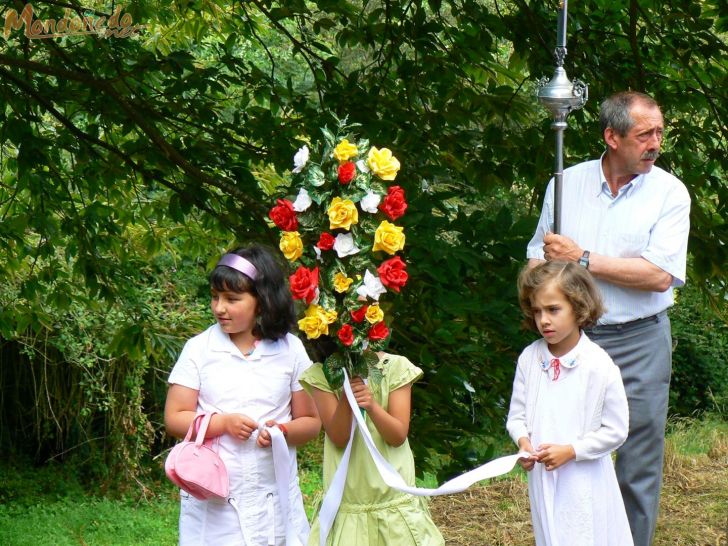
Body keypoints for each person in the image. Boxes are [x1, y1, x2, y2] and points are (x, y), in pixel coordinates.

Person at [526, 90, 691, 546]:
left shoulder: (670, 193)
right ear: (611, 137)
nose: (655, 142)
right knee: (565, 452)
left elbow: (660, 275)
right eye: (645, 134)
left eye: (659, 131)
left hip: (642, 341)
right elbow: (536, 257)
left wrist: (581, 258)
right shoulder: (565, 184)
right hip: (575, 342)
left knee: (637, 459)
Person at [164, 245, 321, 546]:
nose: (219, 308)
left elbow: (311, 422)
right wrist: (223, 424)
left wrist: (283, 431)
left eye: (232, 299)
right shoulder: (199, 349)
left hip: (273, 499)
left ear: (261, 302)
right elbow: (174, 417)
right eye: (215, 297)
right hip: (214, 500)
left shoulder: (290, 349)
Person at [507, 261, 632, 546]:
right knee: (551, 534)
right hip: (543, 477)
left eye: (553, 309)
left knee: (583, 534)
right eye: (537, 311)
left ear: (578, 307)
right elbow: (516, 416)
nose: (544, 320)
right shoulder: (530, 358)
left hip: (583, 477)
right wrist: (523, 442)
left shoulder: (599, 365)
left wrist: (572, 451)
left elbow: (616, 430)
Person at [299, 344, 444, 546]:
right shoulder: (323, 374)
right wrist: (347, 397)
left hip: (391, 498)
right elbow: (339, 437)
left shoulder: (395, 367)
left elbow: (398, 435)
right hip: (348, 499)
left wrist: (372, 406)